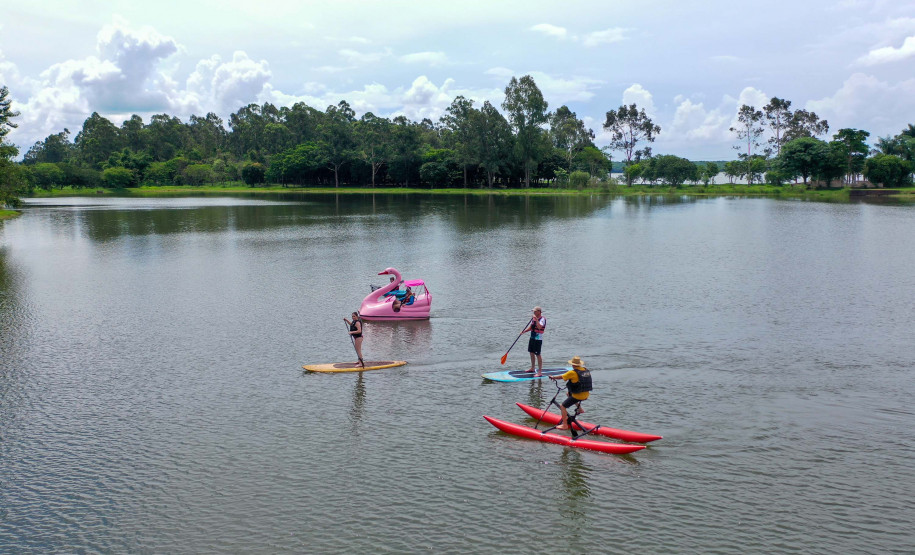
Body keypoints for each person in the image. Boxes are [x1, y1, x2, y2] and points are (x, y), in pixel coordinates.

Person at [549, 356, 592, 430]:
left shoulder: (572, 372)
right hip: (586, 394)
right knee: (568, 394)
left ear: (573, 365)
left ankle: (564, 425)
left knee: (562, 406)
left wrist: (553, 377)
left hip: (578, 396)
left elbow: (562, 377)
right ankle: (580, 409)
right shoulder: (585, 370)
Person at [521, 306, 546, 376]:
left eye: (535, 311)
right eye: (533, 311)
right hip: (532, 338)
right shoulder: (534, 319)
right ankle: (532, 367)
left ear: (539, 312)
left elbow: (539, 327)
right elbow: (531, 327)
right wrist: (524, 331)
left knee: (538, 354)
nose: (534, 312)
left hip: (538, 339)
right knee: (531, 352)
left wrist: (536, 319)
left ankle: (540, 372)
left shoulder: (542, 319)